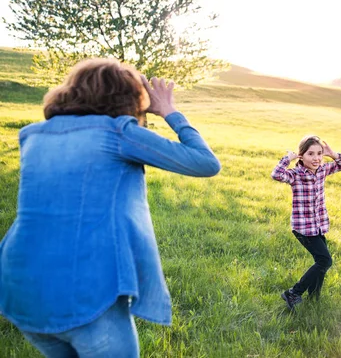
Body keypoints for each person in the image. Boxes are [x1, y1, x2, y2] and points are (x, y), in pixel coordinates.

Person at [0, 58, 221, 357]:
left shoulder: (34, 135)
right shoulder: (117, 133)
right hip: (83, 290)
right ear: (127, 97)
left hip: (21, 286)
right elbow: (205, 163)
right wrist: (170, 111)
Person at [271, 135, 341, 310]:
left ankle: (315, 298)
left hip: (319, 225)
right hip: (303, 228)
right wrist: (287, 159)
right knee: (324, 261)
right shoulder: (295, 174)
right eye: (311, 154)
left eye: (319, 153)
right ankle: (293, 292)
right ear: (301, 156)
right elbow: (276, 175)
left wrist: (332, 154)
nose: (316, 158)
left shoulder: (322, 170)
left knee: (320, 262)